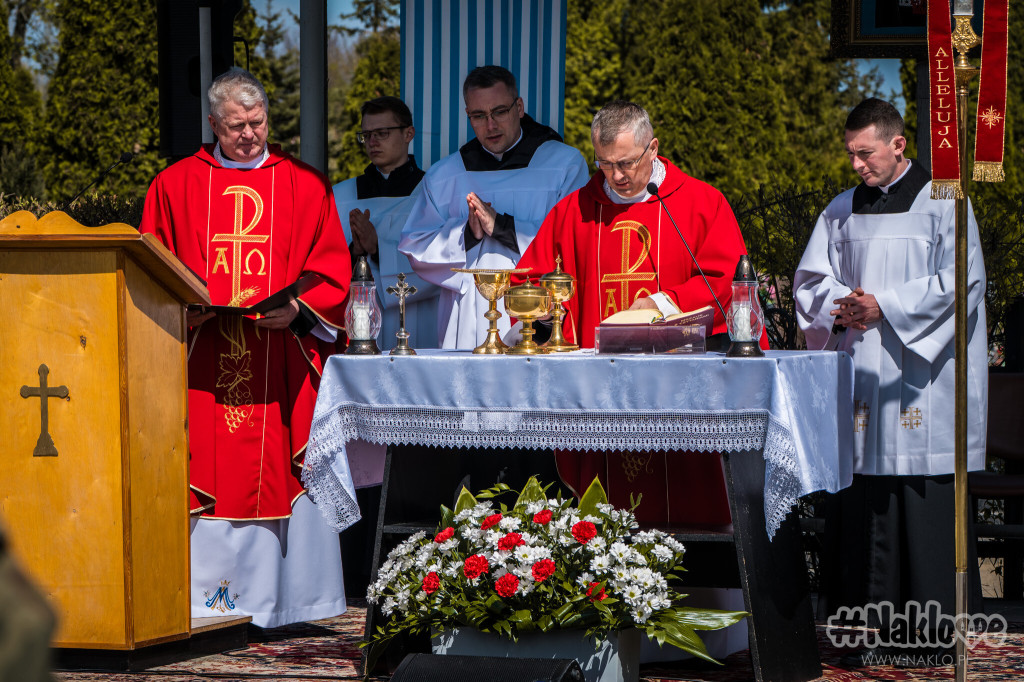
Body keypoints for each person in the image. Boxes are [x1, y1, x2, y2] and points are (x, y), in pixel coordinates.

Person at [139, 68, 354, 628]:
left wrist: (300, 311)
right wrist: (185, 308)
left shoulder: (303, 184)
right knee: (207, 466)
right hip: (204, 359)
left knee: (280, 468)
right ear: (213, 124)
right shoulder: (175, 184)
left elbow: (330, 266)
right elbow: (151, 267)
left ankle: (288, 604)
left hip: (278, 356)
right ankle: (205, 605)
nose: (249, 135)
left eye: (257, 123)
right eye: (236, 126)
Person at [793, 97, 986, 665]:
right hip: (863, 372)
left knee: (919, 495)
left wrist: (888, 307)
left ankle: (929, 635)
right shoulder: (839, 211)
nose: (856, 165)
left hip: (922, 378)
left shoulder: (944, 202)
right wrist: (842, 305)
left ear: (898, 144)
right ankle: (860, 627)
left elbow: (963, 281)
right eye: (850, 154)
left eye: (865, 153)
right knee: (864, 496)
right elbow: (810, 280)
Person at [515, 100, 763, 527]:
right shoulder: (574, 210)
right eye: (605, 164)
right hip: (599, 389)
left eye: (627, 162)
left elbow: (725, 278)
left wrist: (661, 303)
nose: (617, 176)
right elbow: (531, 279)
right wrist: (538, 308)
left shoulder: (700, 202)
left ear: (654, 148)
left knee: (688, 490)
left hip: (679, 386)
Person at [398, 65, 590, 349]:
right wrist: (466, 235)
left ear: (519, 107)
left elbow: (575, 242)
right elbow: (415, 246)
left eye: (499, 112)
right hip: (467, 319)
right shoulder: (446, 175)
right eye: (479, 116)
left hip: (540, 317)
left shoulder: (563, 165)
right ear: (468, 115)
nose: (490, 125)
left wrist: (503, 227)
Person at [333, 96, 438, 351]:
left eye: (382, 133)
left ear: (408, 134)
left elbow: (442, 266)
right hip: (359, 321)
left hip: (421, 320)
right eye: (366, 134)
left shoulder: (433, 193)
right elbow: (326, 265)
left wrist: (379, 249)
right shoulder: (342, 195)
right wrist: (356, 252)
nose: (373, 142)